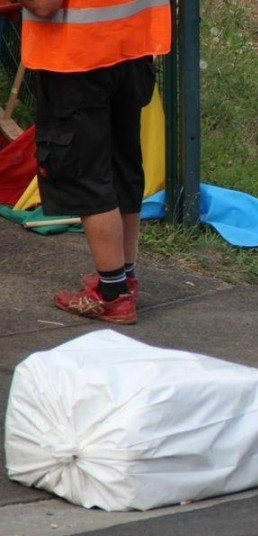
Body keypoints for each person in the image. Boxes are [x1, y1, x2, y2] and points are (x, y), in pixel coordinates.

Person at [17, 0, 171, 324]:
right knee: (122, 164)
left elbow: (44, 5)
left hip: (77, 55)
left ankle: (111, 296)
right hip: (132, 45)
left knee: (85, 173)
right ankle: (123, 277)